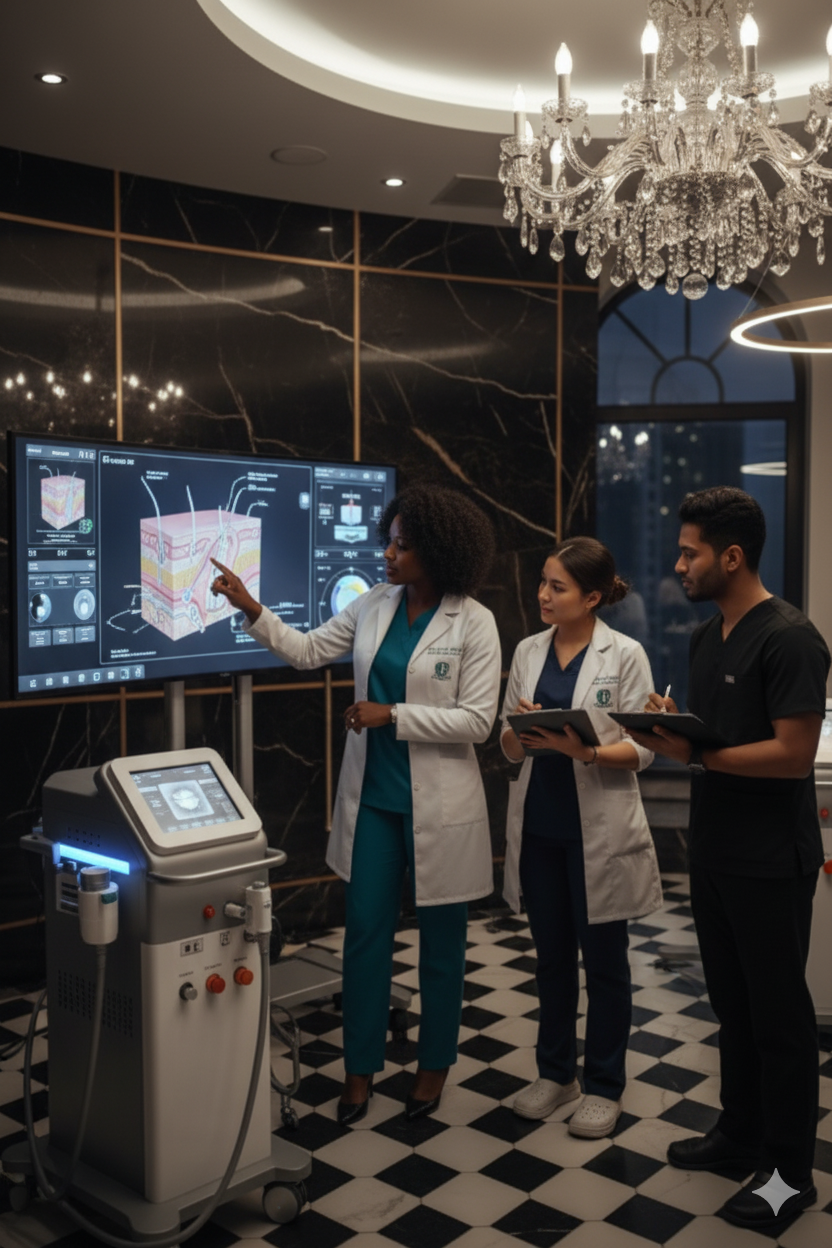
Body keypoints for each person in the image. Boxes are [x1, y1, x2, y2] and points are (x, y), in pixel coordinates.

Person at [211, 483, 501, 1126]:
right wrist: (251, 607)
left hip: (441, 807)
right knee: (364, 938)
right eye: (388, 542)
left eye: (402, 546)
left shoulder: (474, 621)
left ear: (439, 551)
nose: (388, 555)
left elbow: (478, 721)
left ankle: (433, 1066)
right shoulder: (374, 603)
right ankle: (359, 1069)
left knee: (442, 946)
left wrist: (392, 714)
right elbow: (309, 650)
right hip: (373, 801)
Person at [635, 486, 830, 1232]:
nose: (679, 565)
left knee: (780, 1022)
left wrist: (693, 754)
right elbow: (716, 736)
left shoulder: (791, 638)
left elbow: (792, 755)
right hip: (715, 852)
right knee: (733, 1008)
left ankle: (789, 1176)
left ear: (733, 556)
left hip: (772, 860)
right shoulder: (706, 636)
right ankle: (740, 1133)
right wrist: (671, 727)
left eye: (690, 553)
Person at [500, 537, 662, 1139]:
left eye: (557, 587)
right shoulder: (528, 650)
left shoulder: (625, 654)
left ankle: (604, 1085)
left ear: (592, 598)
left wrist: (586, 752)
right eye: (543, 582)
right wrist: (520, 731)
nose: (543, 595)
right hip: (540, 827)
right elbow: (507, 744)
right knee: (550, 961)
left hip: (598, 830)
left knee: (605, 964)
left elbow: (645, 748)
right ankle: (555, 1074)